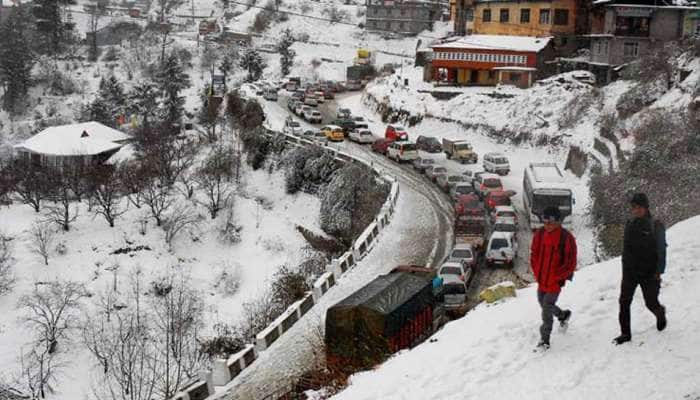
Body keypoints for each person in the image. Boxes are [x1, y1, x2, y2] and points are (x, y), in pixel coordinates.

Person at [613, 193, 667, 345]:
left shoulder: (655, 225)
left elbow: (661, 250)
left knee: (650, 303)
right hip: (630, 272)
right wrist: (625, 269)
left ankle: (659, 312)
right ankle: (625, 334)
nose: (636, 210)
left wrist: (658, 271)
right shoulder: (629, 224)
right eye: (634, 207)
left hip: (649, 273)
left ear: (646, 207)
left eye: (639, 207)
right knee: (624, 302)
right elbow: (626, 249)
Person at [530, 206, 577, 351]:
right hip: (542, 279)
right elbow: (534, 254)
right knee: (543, 303)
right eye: (544, 222)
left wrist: (557, 277)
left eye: (550, 222)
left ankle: (545, 340)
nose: (547, 225)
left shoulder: (566, 238)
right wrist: (537, 272)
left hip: (555, 282)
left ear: (558, 221)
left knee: (546, 309)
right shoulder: (540, 234)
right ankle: (563, 315)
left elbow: (570, 262)